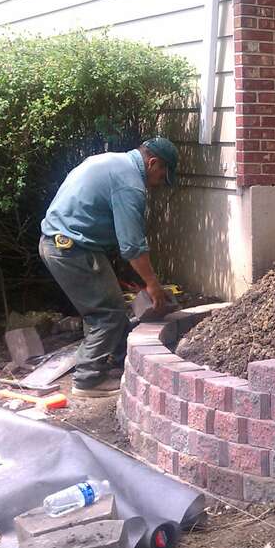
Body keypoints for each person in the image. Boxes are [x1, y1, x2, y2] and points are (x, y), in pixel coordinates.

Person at [39, 138, 177, 396]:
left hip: (60, 243)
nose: (159, 182)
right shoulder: (130, 185)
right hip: (71, 249)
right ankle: (88, 379)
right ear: (153, 162)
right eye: (162, 175)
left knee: (102, 308)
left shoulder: (110, 161)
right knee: (108, 314)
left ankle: (114, 359)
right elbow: (132, 246)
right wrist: (153, 285)